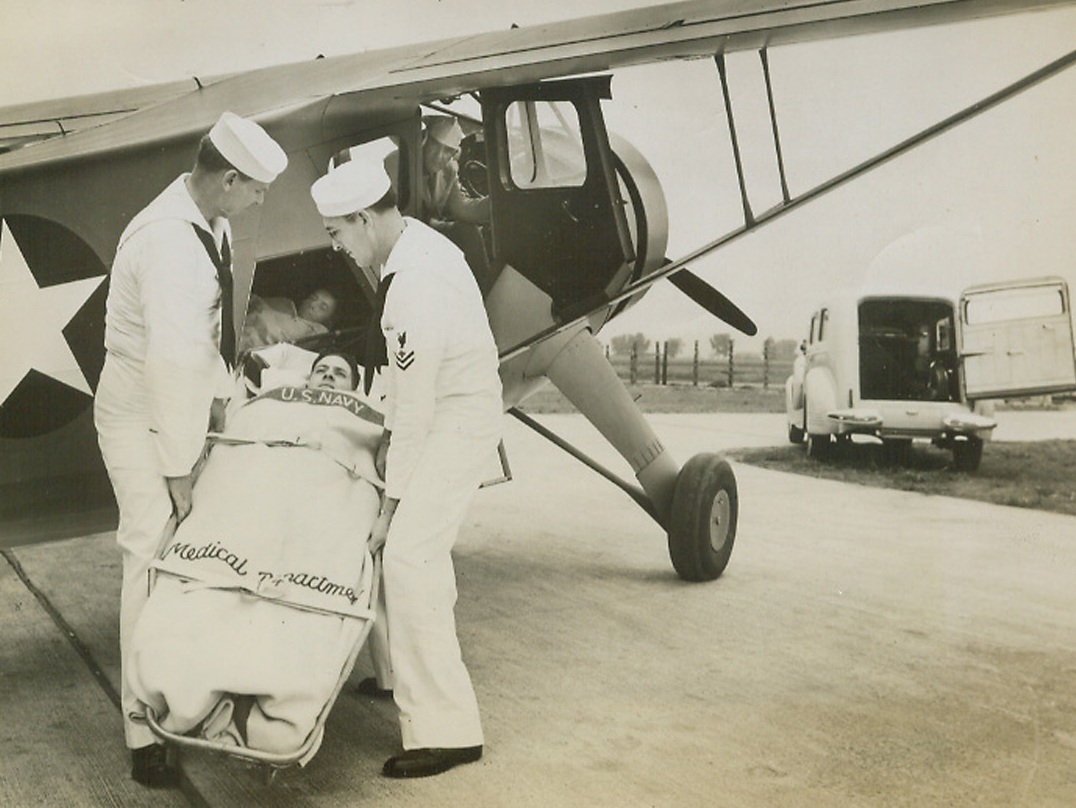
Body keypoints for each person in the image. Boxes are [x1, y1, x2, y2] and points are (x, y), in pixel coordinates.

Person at [93, 111, 287, 788]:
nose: (262, 199)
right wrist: (180, 469)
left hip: (179, 399)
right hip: (142, 412)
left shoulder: (211, 221)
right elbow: (169, 365)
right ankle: (144, 726)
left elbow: (203, 344)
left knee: (207, 545)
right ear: (229, 178)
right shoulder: (170, 242)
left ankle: (195, 690)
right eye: (258, 186)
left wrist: (224, 396)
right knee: (149, 550)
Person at [310, 150, 503, 778]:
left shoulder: (413, 284)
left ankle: (447, 731)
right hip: (445, 411)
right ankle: (398, 676)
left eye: (338, 234)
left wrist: (391, 505)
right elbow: (402, 387)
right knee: (417, 558)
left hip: (455, 420)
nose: (338, 249)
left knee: (410, 554)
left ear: (365, 219)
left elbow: (416, 412)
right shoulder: (415, 247)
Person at [417, 116, 494, 294]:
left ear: (454, 154)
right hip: (410, 235)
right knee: (466, 233)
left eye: (448, 151)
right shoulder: (397, 162)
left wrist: (499, 201)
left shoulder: (449, 170)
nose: (439, 156)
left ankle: (485, 293)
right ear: (424, 140)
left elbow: (463, 209)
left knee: (470, 231)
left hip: (429, 232)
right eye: (435, 145)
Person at [238, 287, 339, 353]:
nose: (312, 305)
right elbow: (253, 301)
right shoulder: (285, 303)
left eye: (322, 307)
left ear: (328, 320)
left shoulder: (316, 333)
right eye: (313, 298)